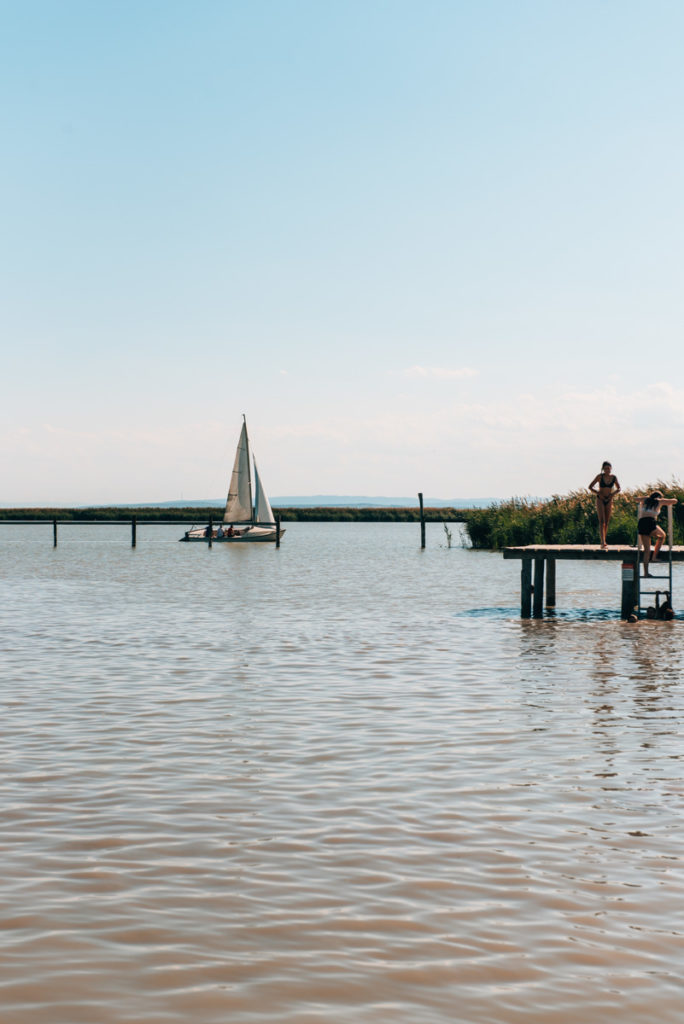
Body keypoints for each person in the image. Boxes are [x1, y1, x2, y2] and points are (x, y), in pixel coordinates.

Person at [637, 491, 677, 576]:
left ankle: (646, 573)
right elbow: (675, 501)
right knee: (662, 536)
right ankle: (654, 557)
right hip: (650, 522)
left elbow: (635, 499)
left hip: (642, 523)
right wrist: (662, 499)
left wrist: (644, 498)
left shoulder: (646, 500)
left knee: (646, 551)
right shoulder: (659, 501)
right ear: (659, 497)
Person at [588, 461, 621, 548]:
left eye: (609, 469)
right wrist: (598, 493)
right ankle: (602, 542)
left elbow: (619, 488)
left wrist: (612, 495)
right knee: (601, 521)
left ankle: (604, 540)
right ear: (603, 469)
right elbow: (590, 487)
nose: (607, 470)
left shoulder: (613, 477)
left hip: (609, 499)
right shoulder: (600, 477)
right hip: (600, 499)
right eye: (606, 468)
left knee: (606, 522)